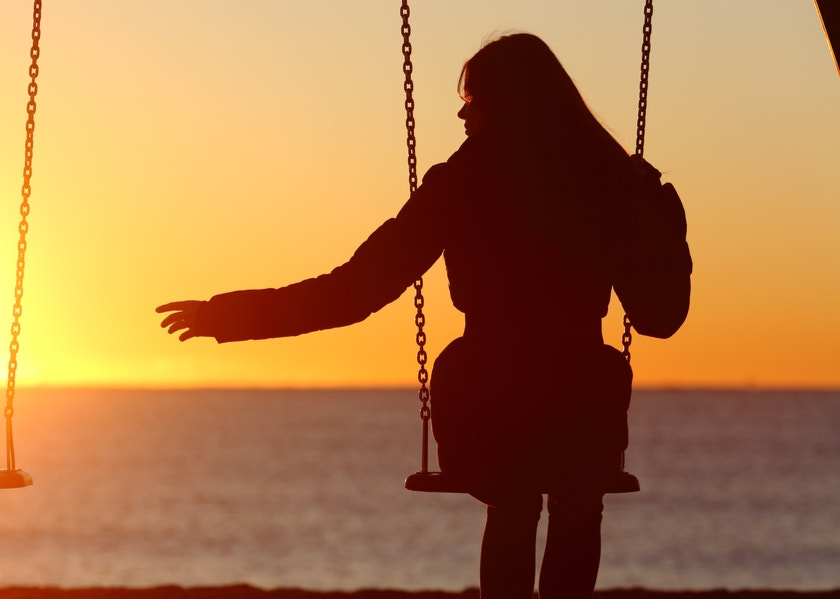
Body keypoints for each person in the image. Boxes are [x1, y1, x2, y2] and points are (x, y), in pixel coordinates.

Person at [157, 33, 640, 599]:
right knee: (577, 500)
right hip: (579, 397)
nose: (463, 111)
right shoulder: (610, 178)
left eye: (473, 98)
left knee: (513, 501)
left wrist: (232, 316)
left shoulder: (462, 182)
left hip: (493, 395)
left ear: (506, 102)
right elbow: (661, 314)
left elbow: (355, 290)